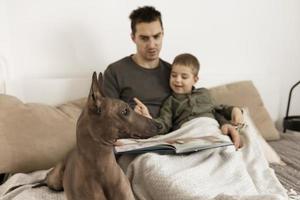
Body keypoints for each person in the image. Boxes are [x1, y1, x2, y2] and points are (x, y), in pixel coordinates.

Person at [103, 6, 241, 147]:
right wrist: (134, 119)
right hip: (137, 142)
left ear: (163, 34)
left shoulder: (174, 74)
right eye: (144, 38)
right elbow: (106, 118)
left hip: (175, 141)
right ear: (133, 38)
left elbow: (199, 106)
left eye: (156, 36)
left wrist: (225, 124)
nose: (152, 45)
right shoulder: (116, 71)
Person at [134, 53, 243, 149]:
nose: (177, 80)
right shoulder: (170, 101)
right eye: (174, 75)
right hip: (188, 132)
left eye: (184, 77)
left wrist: (235, 110)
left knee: (226, 150)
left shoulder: (203, 93)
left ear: (195, 80)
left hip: (209, 128)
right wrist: (148, 119)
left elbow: (218, 109)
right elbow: (164, 124)